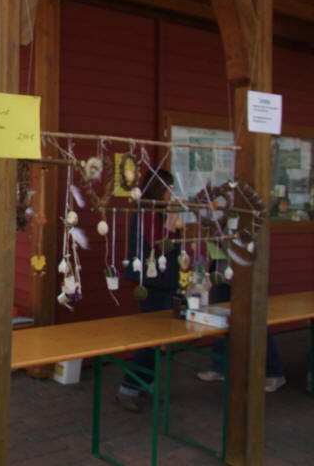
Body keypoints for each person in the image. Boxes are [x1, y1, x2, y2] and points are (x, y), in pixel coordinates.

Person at [115, 168, 184, 413]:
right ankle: (129, 387)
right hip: (154, 282)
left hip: (162, 280)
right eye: (169, 188)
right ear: (159, 188)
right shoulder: (147, 210)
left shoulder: (155, 209)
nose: (171, 193)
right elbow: (160, 244)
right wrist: (172, 222)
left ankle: (145, 383)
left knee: (156, 338)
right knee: (151, 337)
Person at [196, 277, 286, 392]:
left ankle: (274, 372)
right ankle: (220, 367)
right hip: (221, 267)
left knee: (256, 320)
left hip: (249, 269)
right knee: (218, 318)